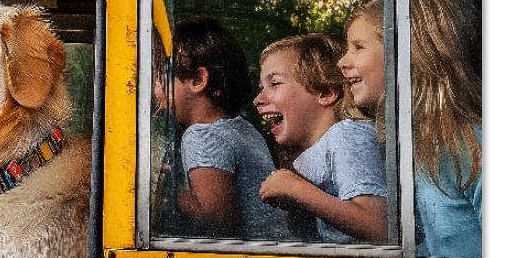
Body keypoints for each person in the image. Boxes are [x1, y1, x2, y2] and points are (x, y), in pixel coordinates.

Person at [340, 0, 481, 258]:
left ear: (410, 55)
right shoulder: (419, 146)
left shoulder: (473, 147)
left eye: (358, 47)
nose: (342, 62)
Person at [255, 34, 387, 244]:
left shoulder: (347, 136)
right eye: (262, 88)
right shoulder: (318, 149)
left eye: (275, 83)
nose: (258, 100)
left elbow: (379, 226)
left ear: (325, 92)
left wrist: (295, 189)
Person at [163, 18, 286, 239]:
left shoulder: (202, 134)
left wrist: (160, 192)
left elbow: (215, 222)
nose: (155, 91)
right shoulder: (244, 130)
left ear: (198, 80)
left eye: (161, 77)